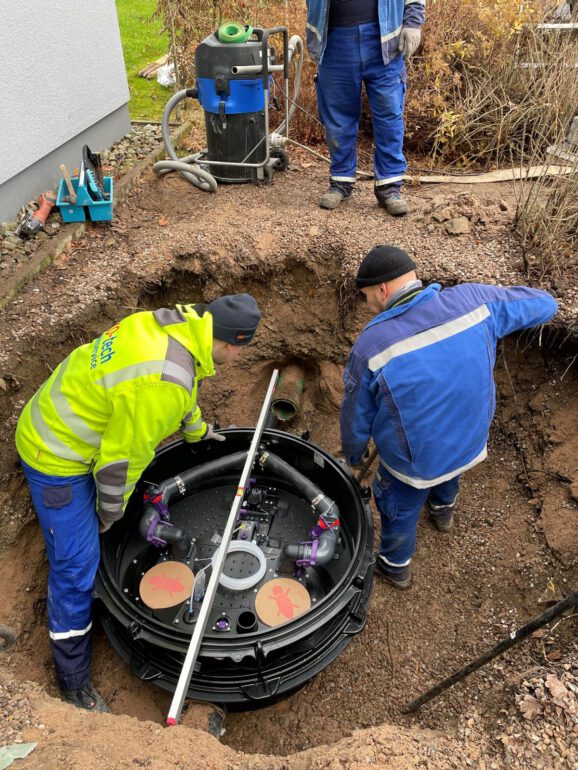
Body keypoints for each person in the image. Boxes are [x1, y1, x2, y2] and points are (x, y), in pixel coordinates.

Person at [15, 294, 261, 711]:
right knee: (75, 566)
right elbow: (120, 465)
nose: (237, 359)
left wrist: (197, 431)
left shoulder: (171, 327)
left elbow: (182, 387)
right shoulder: (162, 382)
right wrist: (108, 515)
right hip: (55, 455)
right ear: (230, 343)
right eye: (240, 351)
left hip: (63, 413)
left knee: (87, 545)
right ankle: (73, 682)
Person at [340, 245, 557, 589]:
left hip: (414, 465)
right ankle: (443, 511)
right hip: (468, 443)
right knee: (449, 471)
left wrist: (354, 456)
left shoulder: (372, 345)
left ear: (382, 289)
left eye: (367, 297)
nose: (369, 306)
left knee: (398, 505)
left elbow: (355, 416)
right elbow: (545, 304)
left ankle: (395, 565)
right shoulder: (474, 301)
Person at [305, 0, 425, 215]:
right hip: (334, 40)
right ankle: (340, 181)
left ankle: (389, 187)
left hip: (384, 39)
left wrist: (413, 22)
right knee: (338, 119)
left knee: (389, 117)